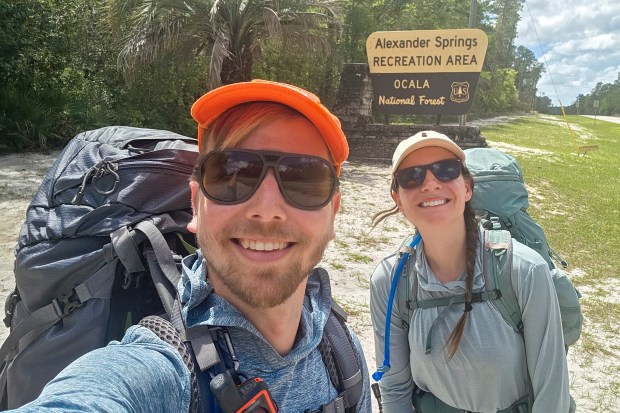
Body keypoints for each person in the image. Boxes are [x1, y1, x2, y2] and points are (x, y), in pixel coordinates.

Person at [9, 80, 371, 412]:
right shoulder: (156, 370)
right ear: (195, 204)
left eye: (304, 179)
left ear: (332, 214)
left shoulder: (342, 350)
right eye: (232, 173)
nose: (267, 209)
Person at [369, 131, 571, 412]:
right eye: (411, 176)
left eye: (445, 170)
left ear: (466, 188)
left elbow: (552, 392)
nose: (430, 183)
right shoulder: (391, 280)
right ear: (398, 198)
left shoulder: (523, 270)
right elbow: (394, 386)